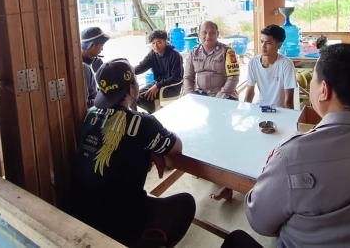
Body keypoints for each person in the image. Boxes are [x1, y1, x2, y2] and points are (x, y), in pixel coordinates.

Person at [222, 44, 350, 248]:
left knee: (236, 240)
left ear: (324, 90)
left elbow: (259, 221)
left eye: (313, 79)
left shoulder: (293, 156)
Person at [70, 59, 195, 247]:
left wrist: (148, 150)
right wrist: (152, 149)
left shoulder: (91, 114)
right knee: (186, 203)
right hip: (120, 221)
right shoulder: (142, 123)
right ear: (131, 89)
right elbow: (176, 147)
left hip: (81, 211)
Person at [244, 24, 298, 109]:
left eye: (268, 43)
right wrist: (245, 109)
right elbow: (250, 92)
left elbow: (289, 100)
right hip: (261, 108)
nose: (263, 46)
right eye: (262, 42)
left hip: (280, 110)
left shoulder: (286, 64)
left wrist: (289, 118)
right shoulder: (253, 63)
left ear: (279, 45)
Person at [183, 21, 240, 99]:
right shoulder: (193, 53)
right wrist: (191, 95)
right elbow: (188, 77)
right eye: (204, 32)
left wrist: (221, 96)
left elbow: (233, 78)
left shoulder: (228, 52)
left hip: (225, 95)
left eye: (212, 33)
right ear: (199, 34)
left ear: (217, 34)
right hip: (201, 94)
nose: (208, 36)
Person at [134, 29, 184, 113]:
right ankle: (155, 111)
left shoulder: (175, 55)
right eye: (153, 43)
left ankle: (156, 113)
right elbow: (140, 67)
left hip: (172, 87)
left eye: (159, 42)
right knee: (136, 96)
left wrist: (158, 86)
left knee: (143, 97)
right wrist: (127, 71)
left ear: (165, 41)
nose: (156, 46)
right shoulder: (152, 55)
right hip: (158, 84)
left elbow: (176, 77)